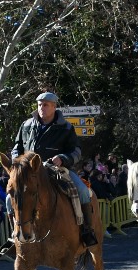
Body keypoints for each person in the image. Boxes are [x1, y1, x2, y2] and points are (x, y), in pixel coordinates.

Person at [9, 91, 97, 246]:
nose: (42, 108)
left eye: (46, 105)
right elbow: (16, 148)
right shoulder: (26, 125)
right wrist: (17, 162)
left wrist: (63, 158)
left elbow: (76, 151)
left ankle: (87, 230)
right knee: (10, 198)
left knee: (83, 190)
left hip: (57, 170)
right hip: (29, 172)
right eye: (39, 105)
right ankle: (15, 234)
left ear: (54, 107)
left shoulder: (66, 127)